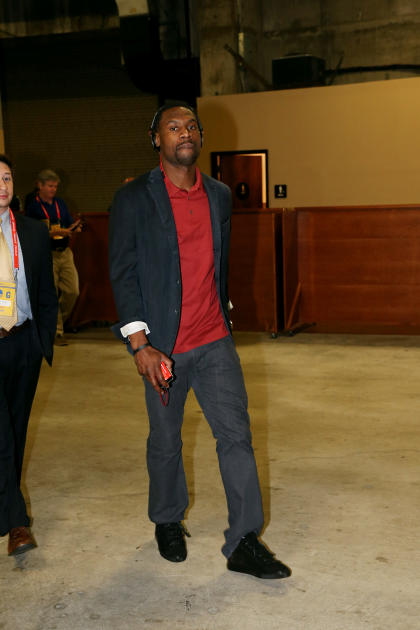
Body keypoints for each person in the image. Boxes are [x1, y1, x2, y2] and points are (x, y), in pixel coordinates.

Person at [109, 103, 291, 580]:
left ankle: (244, 541)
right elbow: (123, 272)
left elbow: (217, 258)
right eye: (173, 127)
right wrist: (139, 343)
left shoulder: (219, 195)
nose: (183, 133)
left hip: (214, 341)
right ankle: (167, 520)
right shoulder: (133, 199)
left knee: (236, 437)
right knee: (165, 442)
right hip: (162, 347)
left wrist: (223, 304)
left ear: (201, 137)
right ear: (156, 139)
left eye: (191, 126)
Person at [0, 154, 57, 556]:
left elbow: (45, 292)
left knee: (16, 431)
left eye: (5, 177)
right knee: (2, 434)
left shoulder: (33, 232)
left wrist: (41, 342)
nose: (1, 184)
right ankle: (17, 523)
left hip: (24, 343)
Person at [25, 169, 81, 344]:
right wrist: (53, 232)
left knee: (73, 291)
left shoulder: (60, 203)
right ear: (39, 186)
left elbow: (65, 223)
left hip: (65, 252)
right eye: (50, 186)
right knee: (51, 292)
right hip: (47, 254)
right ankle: (56, 332)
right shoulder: (33, 206)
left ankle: (54, 323)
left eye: (55, 186)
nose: (53, 190)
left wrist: (73, 228)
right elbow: (32, 232)